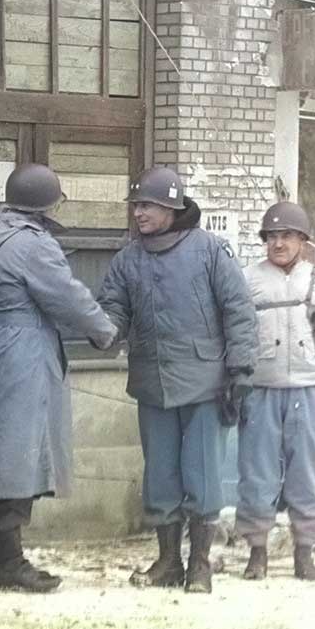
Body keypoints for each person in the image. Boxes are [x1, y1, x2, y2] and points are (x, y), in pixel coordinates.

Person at [97, 166, 257, 594]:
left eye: (147, 205)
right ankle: (168, 562)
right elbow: (113, 307)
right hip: (152, 383)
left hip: (206, 384)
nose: (139, 214)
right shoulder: (127, 259)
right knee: (161, 477)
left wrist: (241, 369)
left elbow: (239, 311)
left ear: (172, 206)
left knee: (201, 475)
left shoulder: (210, 250)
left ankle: (200, 565)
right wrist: (103, 331)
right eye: (135, 206)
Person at [0, 164, 117, 592]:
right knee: (18, 457)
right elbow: (68, 296)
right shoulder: (33, 245)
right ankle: (8, 563)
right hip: (21, 356)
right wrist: (104, 331)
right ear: (47, 205)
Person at [237, 202, 315, 581]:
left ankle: (305, 552)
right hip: (260, 391)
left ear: (302, 240)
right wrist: (234, 380)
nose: (278, 243)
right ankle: (257, 552)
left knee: (306, 475)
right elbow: (235, 334)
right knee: (257, 473)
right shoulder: (248, 279)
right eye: (272, 236)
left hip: (308, 391)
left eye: (286, 235)